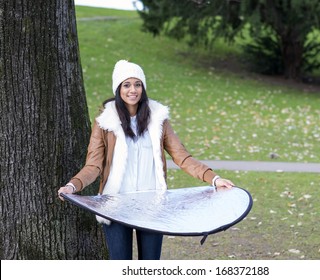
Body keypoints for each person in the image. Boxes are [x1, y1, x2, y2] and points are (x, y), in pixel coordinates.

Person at [57, 59, 235, 260]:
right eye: (126, 85)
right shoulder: (105, 123)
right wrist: (73, 186)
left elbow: (182, 157)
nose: (133, 90)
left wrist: (213, 178)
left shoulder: (158, 119)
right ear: (118, 89)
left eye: (137, 84)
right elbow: (94, 165)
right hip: (116, 205)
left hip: (152, 205)